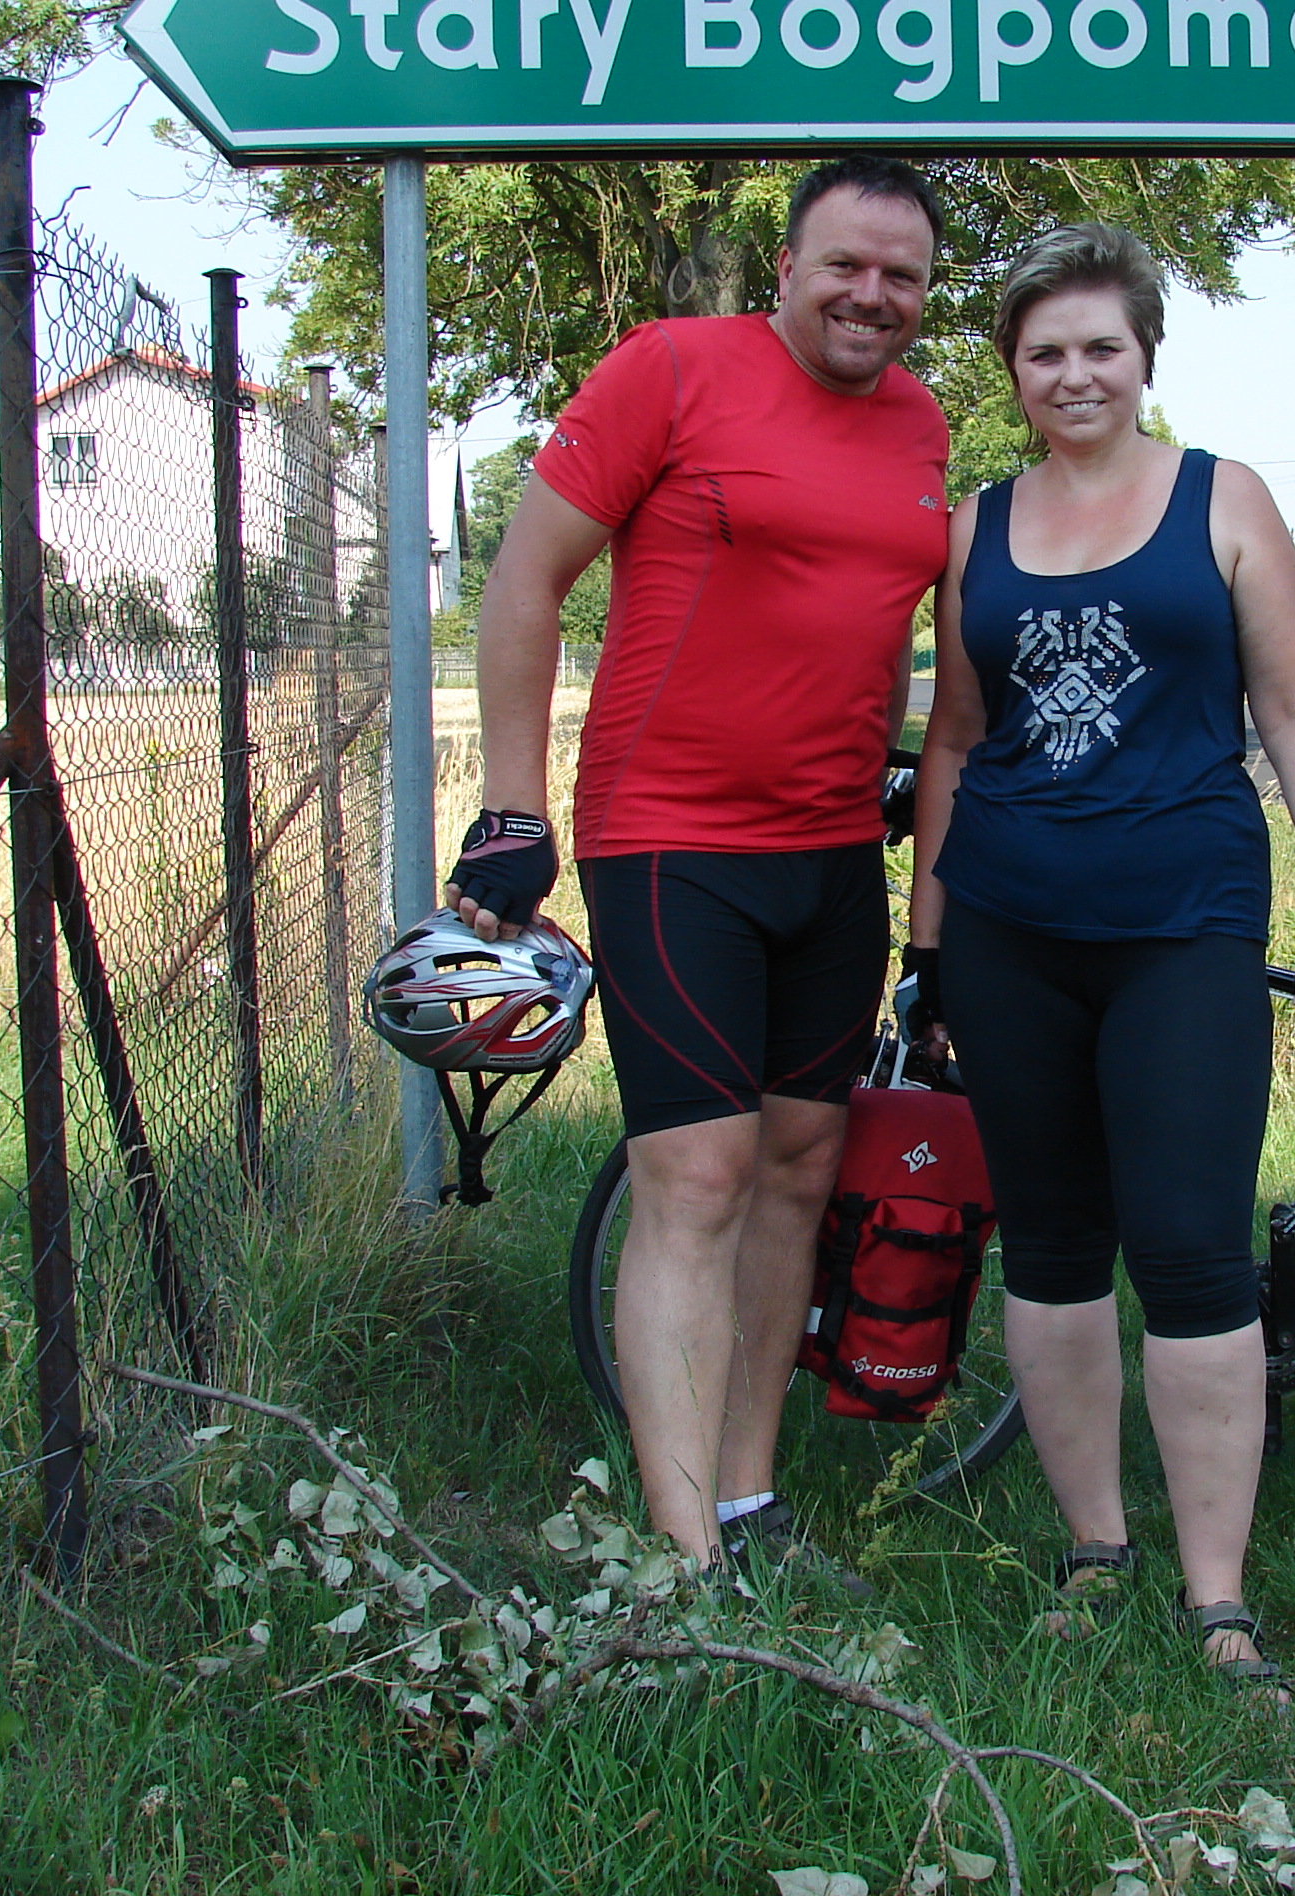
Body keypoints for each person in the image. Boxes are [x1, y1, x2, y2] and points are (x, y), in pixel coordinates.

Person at [446, 157, 951, 1577]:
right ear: (787, 269)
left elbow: (870, 619)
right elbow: (524, 580)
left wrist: (893, 758)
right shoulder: (669, 369)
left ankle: (745, 1500)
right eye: (844, 265)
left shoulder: (922, 421)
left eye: (901, 276)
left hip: (834, 853)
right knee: (700, 1174)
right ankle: (684, 1560)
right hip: (671, 841)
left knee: (800, 1167)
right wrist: (509, 807)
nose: (871, 295)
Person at [904, 222, 1295, 1699]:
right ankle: (1095, 1550)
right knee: (1051, 1250)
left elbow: (1293, 710)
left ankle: (1217, 1594)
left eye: (1101, 346)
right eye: (1044, 351)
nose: (1075, 374)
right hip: (1008, 929)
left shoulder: (1223, 499)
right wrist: (926, 943)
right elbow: (958, 738)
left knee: (1190, 1249)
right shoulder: (978, 526)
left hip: (1183, 925)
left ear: (1145, 355)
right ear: (1012, 371)